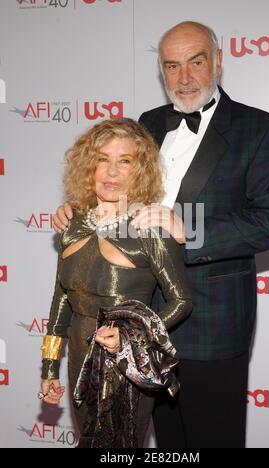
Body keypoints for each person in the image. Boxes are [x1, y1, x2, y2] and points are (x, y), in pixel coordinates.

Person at [53, 22, 269, 448]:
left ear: (218, 62)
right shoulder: (147, 123)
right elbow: (118, 190)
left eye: (196, 62)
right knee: (164, 443)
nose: (184, 78)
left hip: (210, 324)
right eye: (172, 65)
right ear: (161, 71)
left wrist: (191, 227)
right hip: (138, 322)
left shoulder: (260, 129)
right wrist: (81, 210)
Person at [39, 118, 192, 448]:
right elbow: (61, 302)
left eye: (124, 161)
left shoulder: (150, 228)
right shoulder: (72, 225)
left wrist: (130, 335)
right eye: (102, 160)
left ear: (140, 170)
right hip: (79, 355)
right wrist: (49, 367)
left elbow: (181, 301)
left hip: (126, 360)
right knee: (89, 441)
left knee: (122, 445)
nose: (111, 172)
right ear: (88, 165)